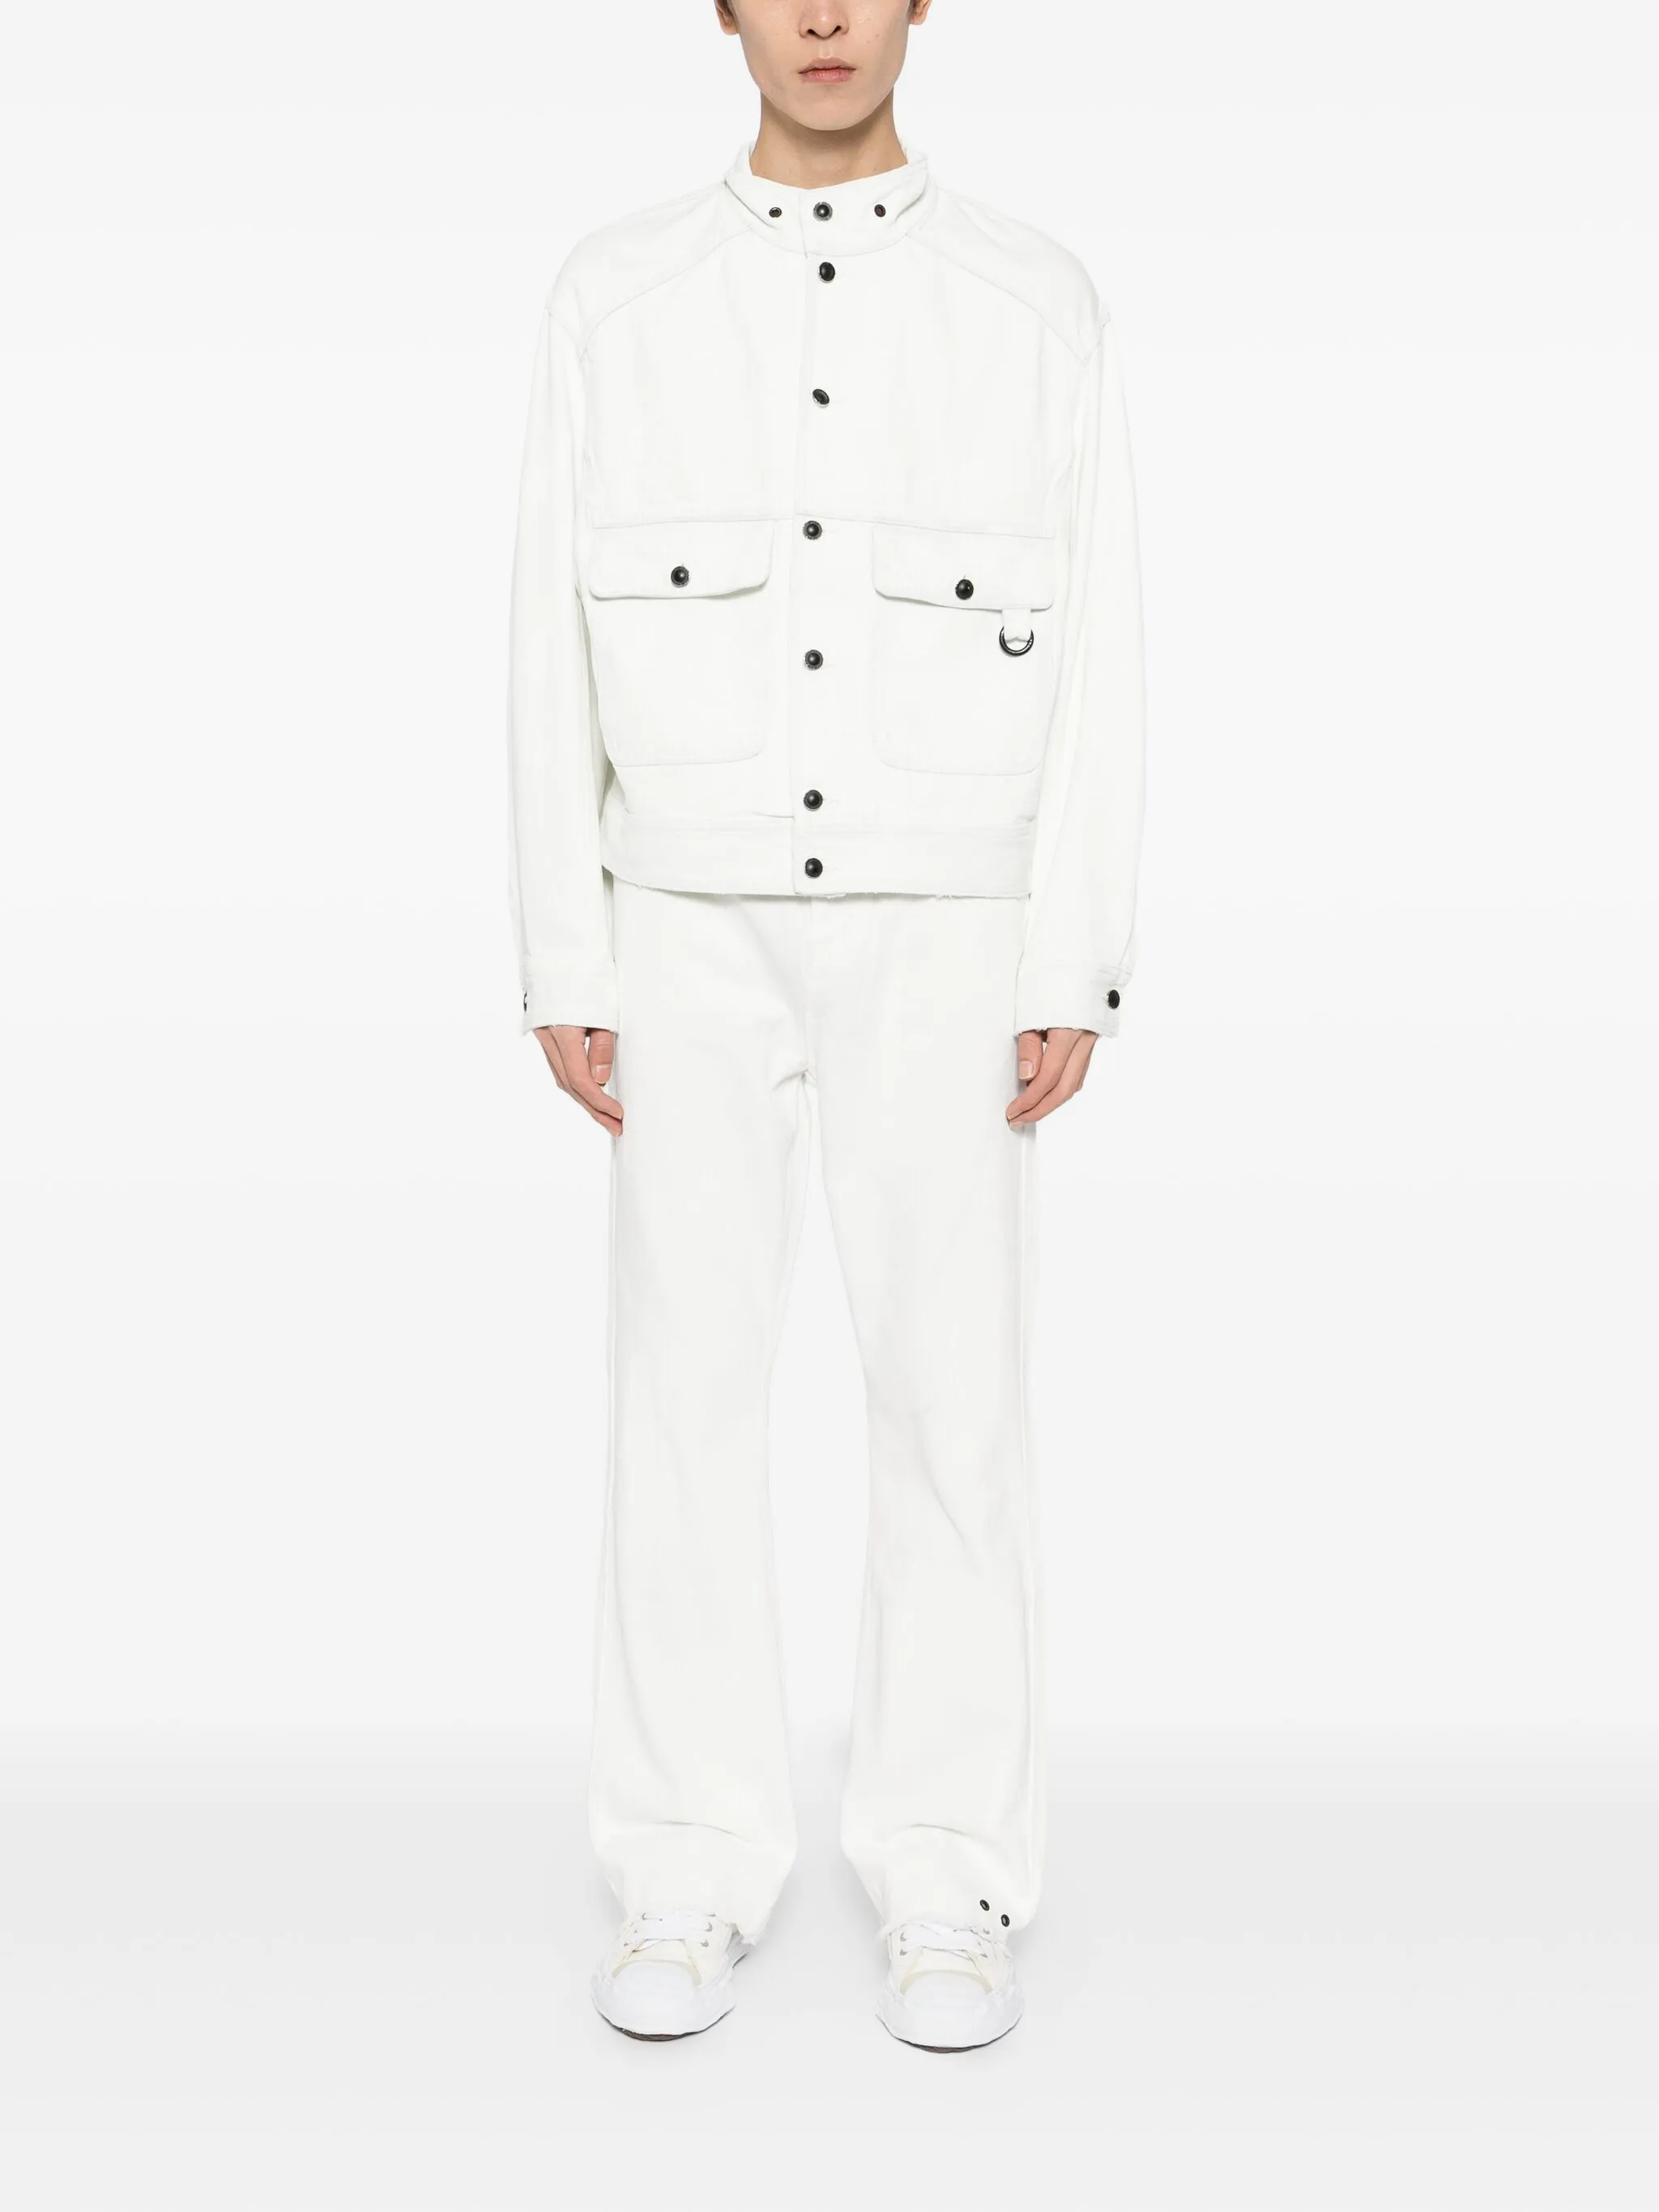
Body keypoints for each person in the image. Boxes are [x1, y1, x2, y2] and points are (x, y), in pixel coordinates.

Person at [506, 0, 1144, 2051]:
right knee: (681, 1398)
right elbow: (540, 638)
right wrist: (566, 952)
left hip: (946, 923)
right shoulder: (616, 294)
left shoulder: (1033, 302)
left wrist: (1069, 954)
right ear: (718, 6)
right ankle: (684, 1867)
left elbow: (1106, 648)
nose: (821, 17)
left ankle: (949, 1876)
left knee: (952, 1405)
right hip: (682, 920)